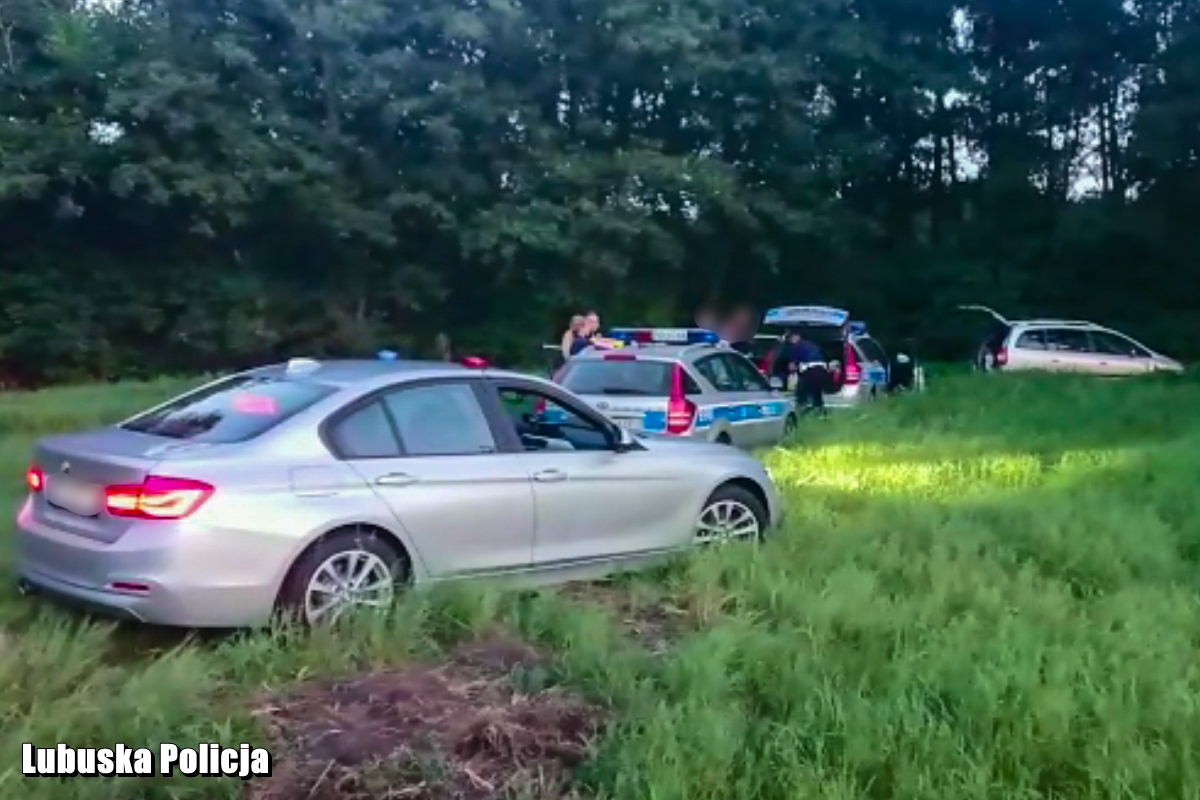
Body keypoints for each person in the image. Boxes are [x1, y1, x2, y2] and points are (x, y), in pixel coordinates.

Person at [774, 329, 828, 415]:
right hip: (822, 370)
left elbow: (792, 366)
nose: (790, 340)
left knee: (802, 393)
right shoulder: (811, 344)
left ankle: (801, 412)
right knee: (817, 394)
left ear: (796, 337)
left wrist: (788, 376)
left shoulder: (795, 347)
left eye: (790, 338)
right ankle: (821, 413)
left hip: (810, 371)